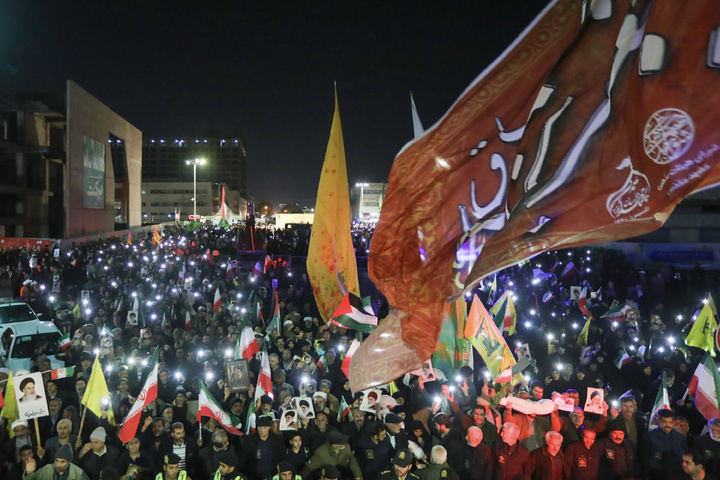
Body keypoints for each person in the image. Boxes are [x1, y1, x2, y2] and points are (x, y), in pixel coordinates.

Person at [643, 409, 687, 479]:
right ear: (659, 421)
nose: (668, 425)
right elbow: (645, 459)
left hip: (676, 475)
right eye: (665, 422)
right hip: (656, 475)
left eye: (670, 422)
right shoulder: (649, 436)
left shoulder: (679, 437)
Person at [23, 444, 90, 480]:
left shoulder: (79, 474)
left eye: (62, 462)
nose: (58, 465)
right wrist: (29, 473)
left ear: (69, 462)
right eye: (56, 461)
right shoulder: (47, 469)